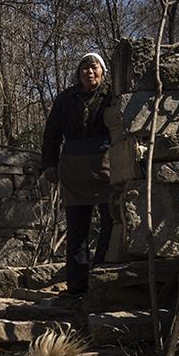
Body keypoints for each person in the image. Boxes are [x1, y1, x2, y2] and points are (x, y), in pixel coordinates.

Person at [41, 52, 114, 297]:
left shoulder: (112, 97)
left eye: (94, 68)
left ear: (102, 72)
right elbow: (52, 133)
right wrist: (50, 165)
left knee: (111, 223)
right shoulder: (65, 99)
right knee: (77, 228)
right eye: (84, 68)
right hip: (73, 169)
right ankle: (77, 286)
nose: (89, 72)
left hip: (105, 168)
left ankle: (103, 275)